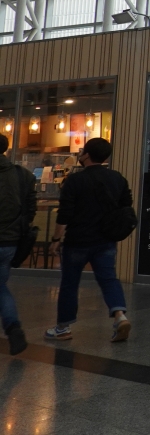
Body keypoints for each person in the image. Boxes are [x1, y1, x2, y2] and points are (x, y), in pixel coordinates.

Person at [46, 137, 132, 342]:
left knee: (70, 283)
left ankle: (63, 328)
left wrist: (56, 239)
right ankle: (120, 316)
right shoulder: (117, 178)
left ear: (86, 155)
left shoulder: (75, 180)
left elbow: (65, 214)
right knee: (108, 279)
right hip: (105, 240)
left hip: (77, 240)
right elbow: (126, 206)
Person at [0, 135, 35, 355]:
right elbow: (30, 209)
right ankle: (13, 328)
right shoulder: (23, 175)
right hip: (10, 242)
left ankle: (13, 327)